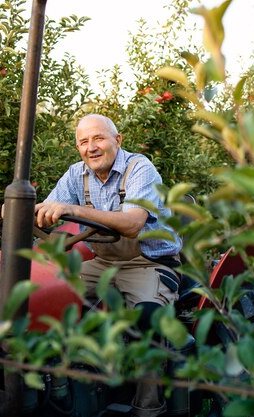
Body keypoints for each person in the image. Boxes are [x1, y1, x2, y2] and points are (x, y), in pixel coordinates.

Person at [35, 114, 181, 417]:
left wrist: (73, 209)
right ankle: (60, 385)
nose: (91, 147)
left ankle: (148, 406)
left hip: (149, 263)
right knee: (49, 298)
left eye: (98, 138)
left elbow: (131, 224)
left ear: (118, 140)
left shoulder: (139, 168)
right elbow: (50, 209)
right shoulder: (77, 174)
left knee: (148, 317)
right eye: (83, 142)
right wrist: (21, 208)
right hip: (103, 262)